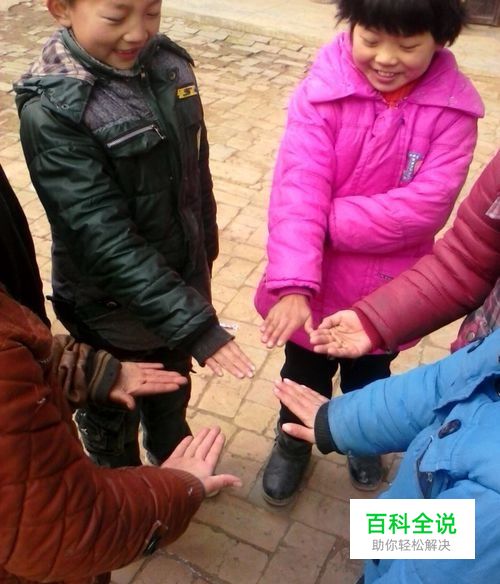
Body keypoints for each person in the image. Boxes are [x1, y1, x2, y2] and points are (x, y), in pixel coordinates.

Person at [254, 0, 484, 503]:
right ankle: (293, 441)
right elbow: (298, 186)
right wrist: (293, 283)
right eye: (372, 39)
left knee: (370, 378)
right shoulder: (322, 94)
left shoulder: (454, 112)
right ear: (351, 25)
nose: (385, 58)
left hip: (388, 294)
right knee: (302, 374)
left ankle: (359, 438)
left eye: (407, 45)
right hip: (314, 283)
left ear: (440, 41)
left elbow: (426, 207)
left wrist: (326, 218)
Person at [14, 0, 255, 470]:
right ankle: (120, 478)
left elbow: (196, 174)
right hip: (110, 313)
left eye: (152, 12)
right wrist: (196, 326)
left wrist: (203, 256)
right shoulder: (56, 110)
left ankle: (172, 460)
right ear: (62, 9)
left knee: (171, 393)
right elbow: (103, 239)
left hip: (178, 289)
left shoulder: (170, 67)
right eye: (116, 17)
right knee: (112, 409)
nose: (138, 32)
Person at [0, 162, 242, 583]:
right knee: (112, 441)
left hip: (164, 314)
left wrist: (89, 370)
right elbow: (65, 527)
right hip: (110, 318)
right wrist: (175, 489)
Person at [273, 328, 500, 583]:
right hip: (413, 514)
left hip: (448, 539)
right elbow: (439, 384)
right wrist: (340, 422)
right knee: (379, 551)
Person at [310, 149, 500, 359]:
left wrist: (313, 219)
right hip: (467, 358)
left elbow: (426, 207)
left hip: (385, 278)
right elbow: (467, 262)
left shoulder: (454, 130)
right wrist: (374, 321)